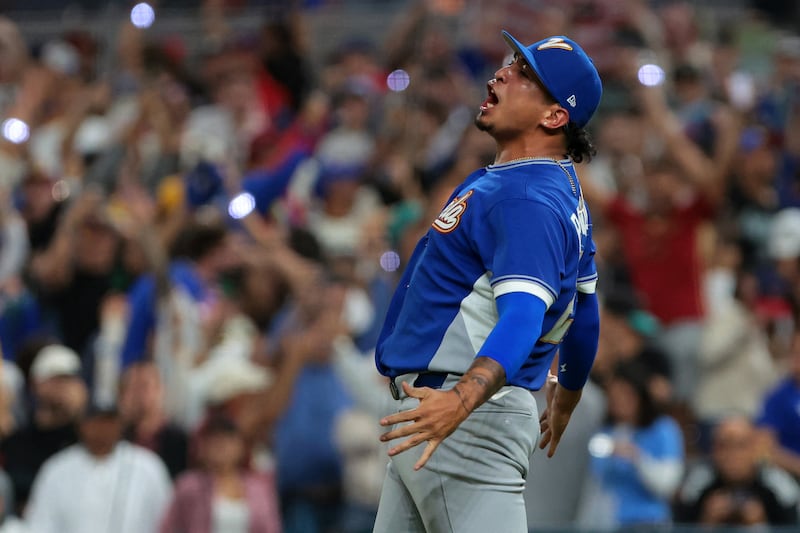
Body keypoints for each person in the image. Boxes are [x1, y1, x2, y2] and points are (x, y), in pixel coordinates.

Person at [373, 31, 603, 533]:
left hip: (466, 418)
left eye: (524, 74)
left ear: (554, 116)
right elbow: (586, 312)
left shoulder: (526, 198)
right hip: (440, 417)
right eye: (510, 63)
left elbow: (523, 315)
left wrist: (463, 399)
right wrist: (566, 393)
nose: (501, 73)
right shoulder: (549, 185)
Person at [24, 401, 172, 533]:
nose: (104, 428)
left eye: (110, 421)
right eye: (97, 421)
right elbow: (40, 525)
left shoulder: (149, 466)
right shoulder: (57, 469)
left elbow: (166, 522)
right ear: (82, 425)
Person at [159, 415, 282, 533]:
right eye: (215, 442)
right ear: (203, 447)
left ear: (240, 446)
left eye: (227, 442)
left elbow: (271, 527)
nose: (221, 448)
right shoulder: (189, 486)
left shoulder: (260, 489)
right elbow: (169, 526)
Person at [674, 415, 800, 526]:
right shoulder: (696, 485)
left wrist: (759, 526)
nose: (732, 455)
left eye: (740, 445)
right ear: (713, 450)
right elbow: (678, 527)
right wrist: (707, 523)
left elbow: (792, 527)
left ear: (754, 448)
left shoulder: (779, 486)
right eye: (724, 445)